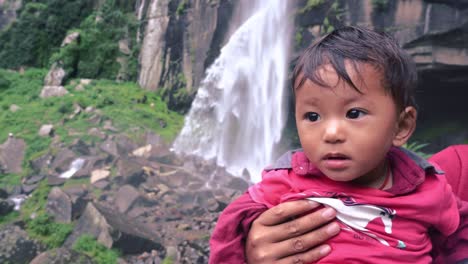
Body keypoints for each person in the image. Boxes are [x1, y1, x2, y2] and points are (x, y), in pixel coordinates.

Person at [209, 26, 468, 263]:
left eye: (354, 113)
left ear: (401, 127)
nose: (331, 133)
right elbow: (232, 226)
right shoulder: (288, 178)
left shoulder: (429, 187)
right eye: (313, 117)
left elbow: (458, 234)